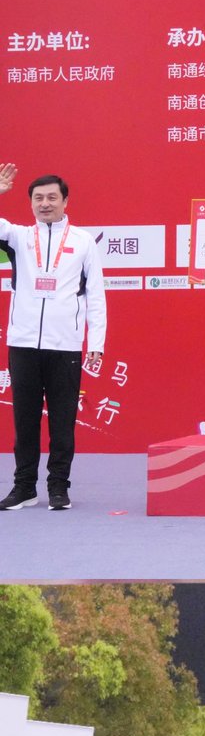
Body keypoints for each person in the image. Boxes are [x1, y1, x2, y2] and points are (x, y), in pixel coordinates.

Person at [0, 165, 106, 511]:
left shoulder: (82, 242)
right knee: (25, 421)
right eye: (38, 198)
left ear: (65, 201)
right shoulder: (16, 236)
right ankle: (24, 488)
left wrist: (96, 344)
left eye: (51, 198)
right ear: (30, 203)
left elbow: (96, 295)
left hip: (66, 346)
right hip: (24, 344)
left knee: (62, 422)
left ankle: (59, 487)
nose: (45, 204)